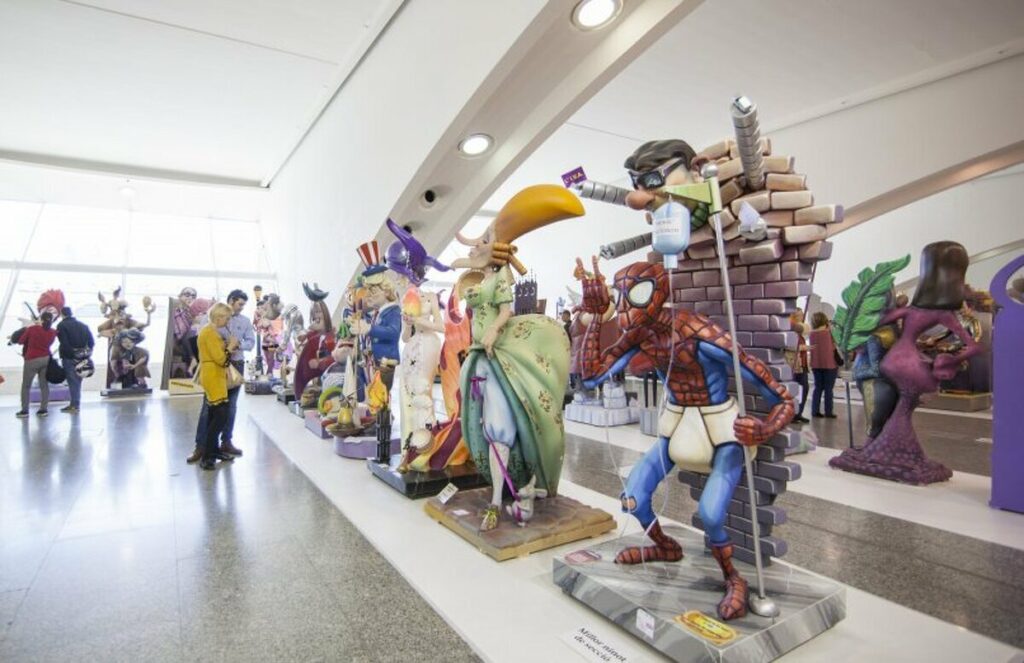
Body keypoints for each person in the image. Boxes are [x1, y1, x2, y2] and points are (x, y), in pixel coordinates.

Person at [187, 290, 254, 463]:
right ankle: (201, 446)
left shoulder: (245, 321)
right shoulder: (208, 323)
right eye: (240, 304)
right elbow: (205, 344)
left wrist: (237, 345)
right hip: (216, 368)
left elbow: (250, 343)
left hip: (235, 365)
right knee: (210, 408)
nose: (241, 308)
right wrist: (225, 347)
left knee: (229, 407)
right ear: (230, 301)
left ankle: (225, 443)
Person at [195, 303, 239, 470]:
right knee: (219, 417)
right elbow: (222, 360)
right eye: (226, 318)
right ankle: (208, 456)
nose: (227, 322)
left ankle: (213, 451)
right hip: (213, 375)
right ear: (219, 317)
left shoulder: (210, 332)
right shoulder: (209, 333)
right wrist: (231, 346)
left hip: (215, 375)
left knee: (215, 415)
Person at [14, 312, 58, 418]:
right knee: (44, 385)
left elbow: (20, 341)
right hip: (46, 359)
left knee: (26, 386)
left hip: (31, 359)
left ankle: (25, 410)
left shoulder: (32, 329)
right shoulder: (53, 332)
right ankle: (43, 409)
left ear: (41, 319)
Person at [56, 307, 94, 414]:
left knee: (72, 381)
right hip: (83, 357)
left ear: (62, 314)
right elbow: (91, 342)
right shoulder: (83, 325)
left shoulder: (61, 325)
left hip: (69, 357)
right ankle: (75, 402)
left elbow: (64, 342)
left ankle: (74, 404)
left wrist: (72, 354)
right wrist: (85, 353)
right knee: (78, 380)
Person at [808, 311, 839, 419]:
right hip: (829, 364)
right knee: (828, 389)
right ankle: (828, 412)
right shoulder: (829, 332)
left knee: (818, 388)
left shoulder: (811, 334)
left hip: (816, 364)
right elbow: (836, 344)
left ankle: (815, 410)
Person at [784, 309, 811, 423]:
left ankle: (798, 413)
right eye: (799, 315)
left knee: (804, 388)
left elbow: (807, 330)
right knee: (793, 390)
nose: (802, 317)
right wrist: (800, 348)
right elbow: (785, 344)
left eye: (802, 315)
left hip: (802, 364)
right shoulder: (788, 328)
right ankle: (791, 414)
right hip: (793, 363)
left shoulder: (799, 329)